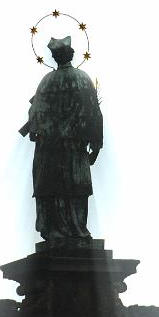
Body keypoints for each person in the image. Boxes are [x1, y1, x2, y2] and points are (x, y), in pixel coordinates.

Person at [23, 35, 104, 242]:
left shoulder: (46, 82)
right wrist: (96, 145)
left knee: (54, 190)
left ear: (54, 57)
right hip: (73, 147)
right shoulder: (83, 79)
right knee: (75, 190)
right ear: (72, 54)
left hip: (49, 150)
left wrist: (39, 129)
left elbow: (34, 118)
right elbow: (94, 113)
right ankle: (77, 230)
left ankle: (56, 231)